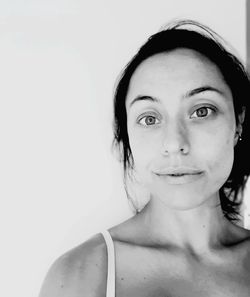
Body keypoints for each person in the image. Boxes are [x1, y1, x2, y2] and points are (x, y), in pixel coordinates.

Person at [39, 19, 250, 297]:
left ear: (238, 123)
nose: (175, 143)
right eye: (149, 118)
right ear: (126, 136)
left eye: (202, 111)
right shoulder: (82, 277)